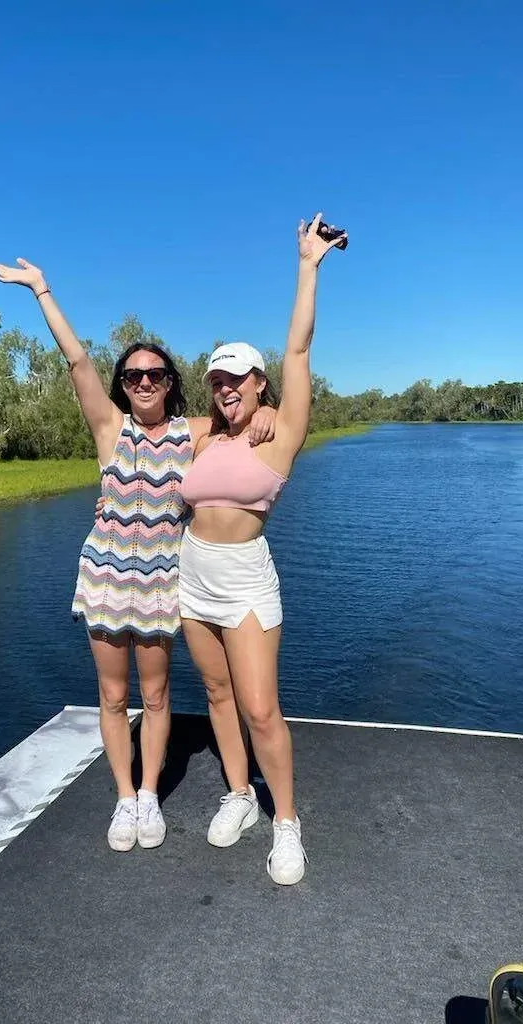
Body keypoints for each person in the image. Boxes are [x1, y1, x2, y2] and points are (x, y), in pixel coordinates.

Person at [0, 257, 276, 852]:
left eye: (155, 374)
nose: (143, 382)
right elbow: (77, 361)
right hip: (105, 577)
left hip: (164, 581)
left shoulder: (194, 433)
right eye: (133, 375)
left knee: (158, 694)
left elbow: (242, 410)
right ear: (122, 385)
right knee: (113, 696)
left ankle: (150, 794)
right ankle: (124, 797)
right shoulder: (108, 429)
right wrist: (41, 290)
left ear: (170, 382)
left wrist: (267, 411)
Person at [177, 214, 346, 884]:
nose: (226, 389)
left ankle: (287, 823)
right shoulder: (200, 435)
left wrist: (308, 266)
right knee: (217, 693)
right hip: (191, 572)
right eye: (218, 380)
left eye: (238, 379)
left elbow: (298, 352)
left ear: (259, 383)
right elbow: (138, 421)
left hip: (245, 577)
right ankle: (241, 795)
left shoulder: (281, 433)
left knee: (260, 707)